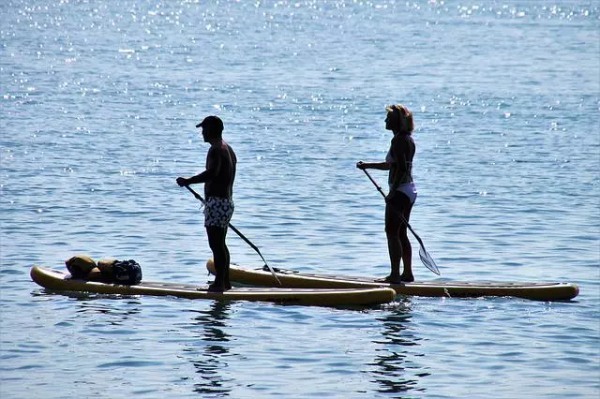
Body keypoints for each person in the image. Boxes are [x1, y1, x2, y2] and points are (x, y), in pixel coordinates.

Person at [357, 104, 417, 283]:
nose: (385, 120)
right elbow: (392, 165)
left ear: (396, 121)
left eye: (388, 118)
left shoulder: (399, 140)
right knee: (401, 233)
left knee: (391, 232)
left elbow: (402, 168)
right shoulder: (406, 139)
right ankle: (407, 273)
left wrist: (393, 192)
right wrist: (367, 165)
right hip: (409, 191)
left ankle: (395, 275)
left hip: (400, 191)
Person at [176, 115, 237, 292]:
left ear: (211, 130)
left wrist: (188, 180)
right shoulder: (228, 148)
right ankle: (224, 282)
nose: (202, 132)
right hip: (226, 203)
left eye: (204, 129)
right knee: (220, 243)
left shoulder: (216, 150)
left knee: (216, 244)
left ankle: (219, 284)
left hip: (217, 203)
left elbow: (212, 173)